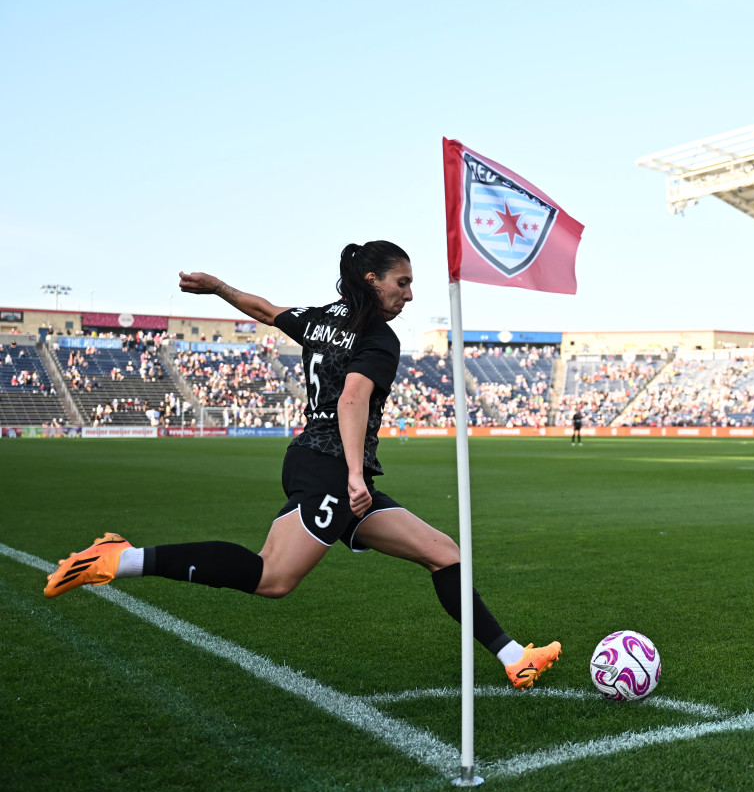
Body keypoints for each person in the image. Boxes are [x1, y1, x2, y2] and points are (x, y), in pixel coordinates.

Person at [43, 241, 560, 690]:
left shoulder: (320, 319)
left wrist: (219, 287)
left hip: (316, 462)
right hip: (332, 469)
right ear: (372, 280)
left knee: (443, 552)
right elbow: (352, 400)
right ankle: (121, 557)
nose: (409, 294)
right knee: (272, 576)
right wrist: (356, 476)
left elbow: (266, 311)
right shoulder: (379, 338)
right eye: (402, 283)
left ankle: (515, 659)